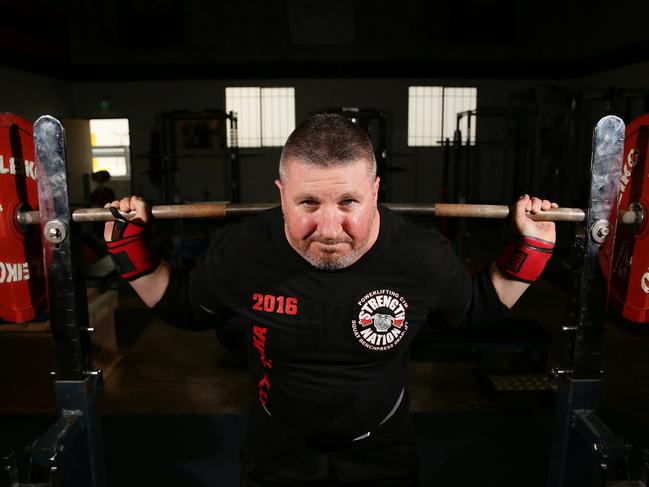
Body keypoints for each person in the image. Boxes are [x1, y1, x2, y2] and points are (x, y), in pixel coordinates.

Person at [103, 114, 557, 487]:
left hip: (382, 454)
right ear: (281, 196)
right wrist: (131, 254)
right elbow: (186, 306)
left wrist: (532, 250)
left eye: (348, 202)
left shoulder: (419, 256)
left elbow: (477, 310)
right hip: (275, 455)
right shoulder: (241, 251)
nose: (328, 227)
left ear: (376, 192)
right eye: (307, 204)